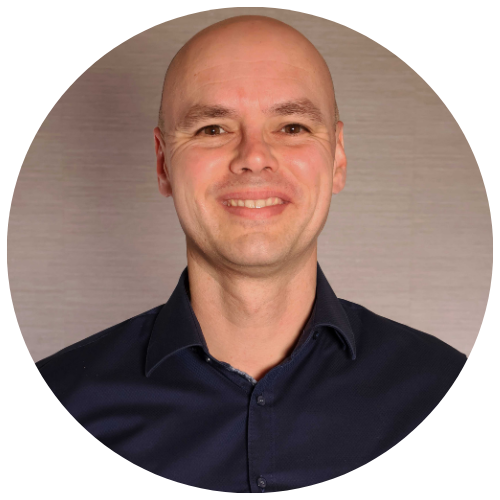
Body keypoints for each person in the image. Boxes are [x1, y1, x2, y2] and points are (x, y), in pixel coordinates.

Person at [35, 16, 474, 490]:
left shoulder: (455, 400)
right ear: (163, 163)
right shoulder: (53, 406)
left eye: (292, 126)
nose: (254, 157)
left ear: (338, 158)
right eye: (212, 129)